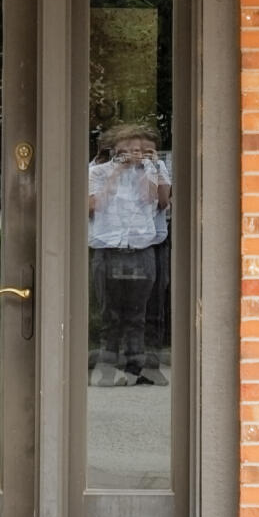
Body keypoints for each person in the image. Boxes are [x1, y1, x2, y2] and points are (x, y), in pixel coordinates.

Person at [86, 126, 172, 385]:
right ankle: (107, 370)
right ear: (114, 149)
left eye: (139, 149)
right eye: (127, 149)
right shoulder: (97, 171)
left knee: (138, 314)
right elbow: (93, 205)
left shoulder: (154, 169)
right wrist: (117, 171)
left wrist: (150, 167)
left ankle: (136, 369)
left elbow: (159, 201)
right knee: (108, 313)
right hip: (107, 250)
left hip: (141, 249)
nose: (134, 154)